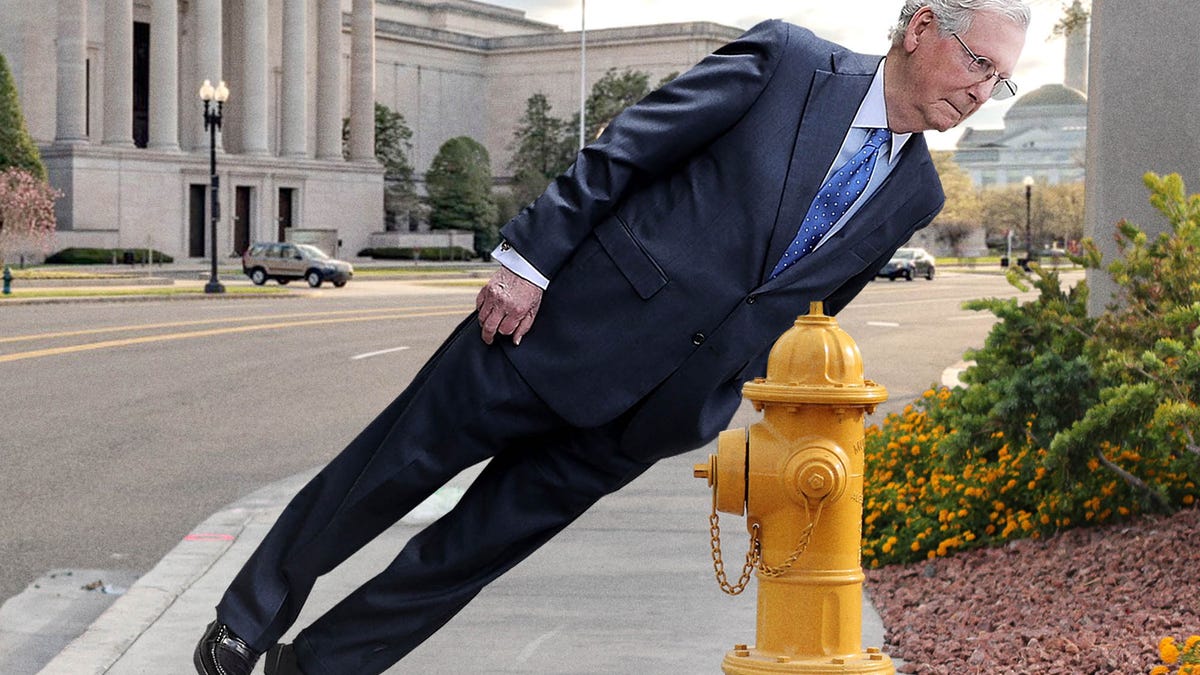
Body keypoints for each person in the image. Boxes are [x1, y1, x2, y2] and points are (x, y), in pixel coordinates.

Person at [195, 2, 1029, 673]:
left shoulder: (916, 193)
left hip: (648, 415)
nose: (983, 90)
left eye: (1002, 81)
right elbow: (627, 150)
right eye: (978, 62)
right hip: (549, 332)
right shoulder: (788, 63)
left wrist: (713, 394)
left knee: (465, 556)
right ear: (921, 27)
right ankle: (246, 619)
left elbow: (810, 306)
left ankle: (321, 666)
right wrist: (527, 261)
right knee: (381, 477)